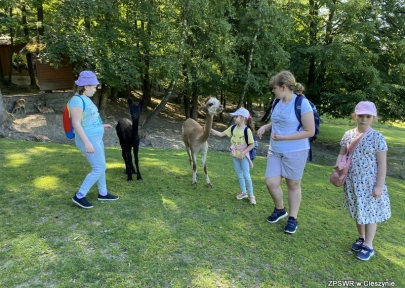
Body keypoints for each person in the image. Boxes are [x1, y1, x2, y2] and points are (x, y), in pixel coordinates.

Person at [257, 71, 315, 234]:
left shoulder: (302, 104)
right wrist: (266, 126)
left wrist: (284, 137)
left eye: (274, 88)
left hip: (296, 151)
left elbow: (310, 131)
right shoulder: (277, 101)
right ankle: (280, 209)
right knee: (271, 182)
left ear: (283, 87)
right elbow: (278, 120)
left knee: (292, 185)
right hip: (275, 150)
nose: (273, 91)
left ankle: (293, 218)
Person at [335, 101, 390, 261]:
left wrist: (379, 186)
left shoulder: (377, 138)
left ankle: (369, 245)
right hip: (352, 182)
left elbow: (382, 163)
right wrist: (338, 164)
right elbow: (342, 153)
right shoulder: (348, 135)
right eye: (360, 116)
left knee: (370, 214)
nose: (363, 119)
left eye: (367, 116)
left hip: (370, 184)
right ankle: (361, 237)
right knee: (358, 211)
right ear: (355, 116)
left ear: (373, 118)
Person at [70, 70, 119, 209]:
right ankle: (79, 195)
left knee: (101, 166)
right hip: (89, 140)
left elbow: (88, 120)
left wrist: (101, 125)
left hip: (96, 138)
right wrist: (86, 142)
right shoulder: (76, 100)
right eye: (94, 86)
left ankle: (102, 193)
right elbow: (76, 123)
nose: (95, 89)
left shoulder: (86, 99)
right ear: (86, 86)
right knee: (99, 167)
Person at [211, 107, 257, 205]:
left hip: (243, 156)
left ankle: (251, 195)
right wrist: (210, 129)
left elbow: (252, 144)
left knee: (246, 175)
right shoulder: (232, 128)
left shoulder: (247, 130)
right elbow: (221, 134)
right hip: (234, 155)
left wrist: (242, 153)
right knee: (239, 174)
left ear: (243, 118)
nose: (234, 118)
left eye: (236, 116)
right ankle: (243, 192)